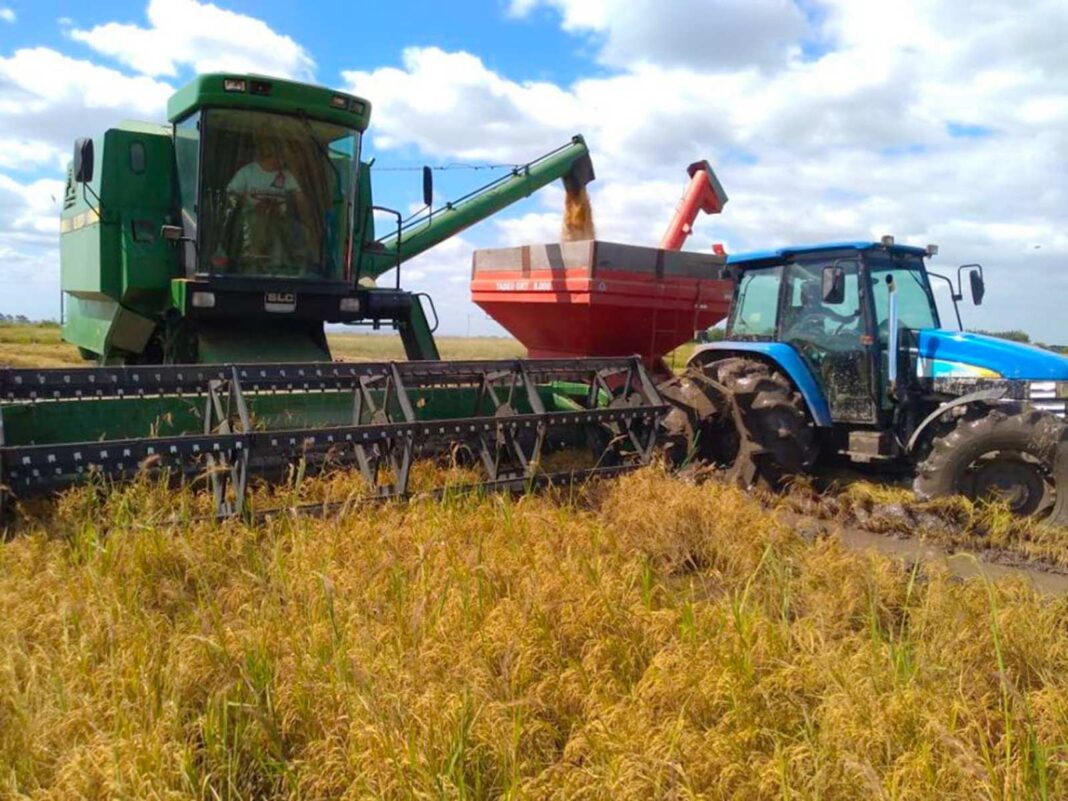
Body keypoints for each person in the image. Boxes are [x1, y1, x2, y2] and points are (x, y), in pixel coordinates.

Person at [213, 135, 314, 274]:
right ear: (265, 156)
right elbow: (231, 197)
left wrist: (304, 216)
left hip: (280, 223)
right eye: (277, 157)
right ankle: (250, 267)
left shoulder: (287, 175)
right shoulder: (247, 172)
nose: (280, 161)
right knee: (255, 226)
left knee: (291, 241)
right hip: (251, 223)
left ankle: (283, 270)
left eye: (282, 157)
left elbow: (300, 199)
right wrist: (255, 206)